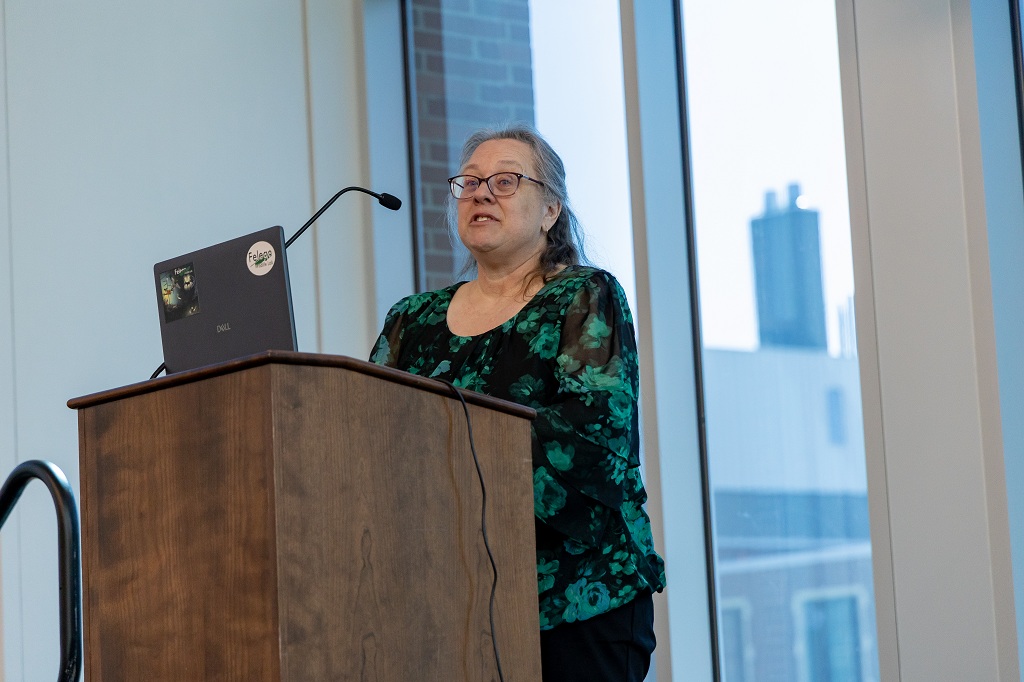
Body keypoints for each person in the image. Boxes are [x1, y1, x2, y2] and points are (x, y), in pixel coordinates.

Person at [369, 124, 666, 681]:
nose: (481, 193)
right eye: (470, 182)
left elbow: (595, 438)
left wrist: (444, 451)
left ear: (551, 210)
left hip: (575, 601)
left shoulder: (581, 295)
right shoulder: (413, 320)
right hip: (449, 603)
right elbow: (368, 434)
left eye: (506, 181)